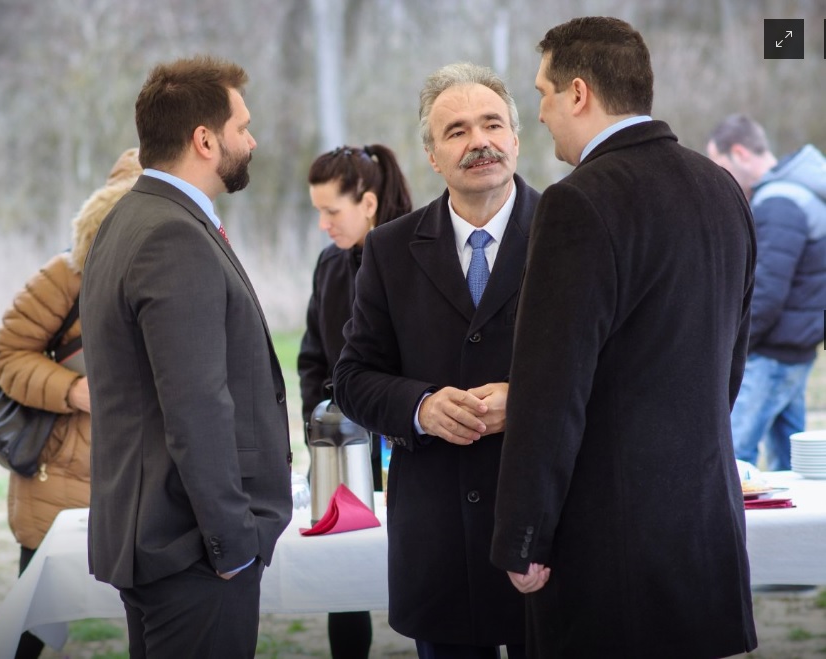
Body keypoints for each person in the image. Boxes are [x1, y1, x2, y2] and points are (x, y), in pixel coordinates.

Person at [489, 17, 758, 658]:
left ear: (579, 93)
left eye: (544, 93)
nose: (541, 113)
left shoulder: (578, 202)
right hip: (704, 529)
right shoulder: (723, 188)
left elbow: (551, 389)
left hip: (611, 548)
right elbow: (728, 367)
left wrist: (524, 536)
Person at [79, 55, 293, 658]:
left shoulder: (127, 219)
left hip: (157, 536)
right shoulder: (171, 233)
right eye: (242, 127)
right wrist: (233, 542)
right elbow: (195, 404)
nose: (251, 140)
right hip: (191, 547)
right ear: (205, 139)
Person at [333, 62, 539, 659]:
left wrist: (527, 401)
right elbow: (351, 377)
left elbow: (613, 369)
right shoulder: (389, 248)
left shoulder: (571, 233)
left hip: (544, 529)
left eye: (492, 124)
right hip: (438, 539)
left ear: (516, 138)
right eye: (457, 131)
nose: (479, 142)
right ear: (431, 155)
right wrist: (420, 408)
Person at [0, 147, 141, 659]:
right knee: (32, 621)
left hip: (145, 474)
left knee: (160, 616)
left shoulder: (181, 268)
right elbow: (8, 354)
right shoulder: (66, 273)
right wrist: (73, 390)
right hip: (60, 476)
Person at [297, 143, 413, 659]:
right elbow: (312, 358)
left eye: (331, 211)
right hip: (338, 448)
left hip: (405, 445)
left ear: (368, 203)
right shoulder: (329, 264)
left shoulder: (415, 257)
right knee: (340, 583)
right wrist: (318, 427)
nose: (323, 224)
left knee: (425, 570)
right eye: (318, 212)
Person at [707, 114, 826, 471]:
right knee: (794, 469)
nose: (718, 175)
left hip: (769, 358)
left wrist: (728, 349)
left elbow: (765, 295)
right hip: (796, 351)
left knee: (730, 462)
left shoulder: (779, 201)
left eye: (719, 163)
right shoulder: (799, 192)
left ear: (740, 153)